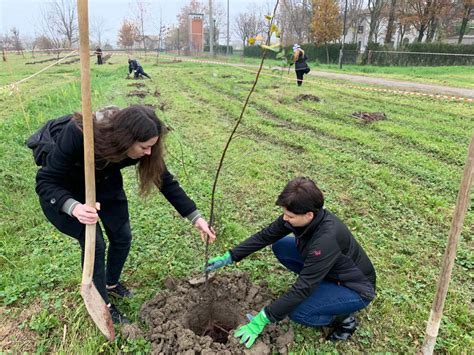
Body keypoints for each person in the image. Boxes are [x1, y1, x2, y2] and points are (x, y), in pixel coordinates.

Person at [35, 105, 215, 324]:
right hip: (66, 191)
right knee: (95, 244)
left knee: (122, 237)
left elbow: (165, 181)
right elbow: (46, 181)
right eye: (144, 147)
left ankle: (111, 283)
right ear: (125, 139)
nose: (149, 152)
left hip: (105, 183)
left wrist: (196, 218)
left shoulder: (145, 147)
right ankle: (102, 305)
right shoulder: (79, 134)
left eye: (152, 146)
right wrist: (74, 207)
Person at [206, 177, 376, 348]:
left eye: (290, 216)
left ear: (309, 214)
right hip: (328, 270)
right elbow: (265, 236)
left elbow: (304, 287)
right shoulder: (301, 217)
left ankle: (344, 319)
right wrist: (231, 256)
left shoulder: (326, 239)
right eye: (284, 213)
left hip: (353, 288)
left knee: (298, 312)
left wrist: (264, 317)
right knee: (281, 246)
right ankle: (322, 287)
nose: (285, 219)